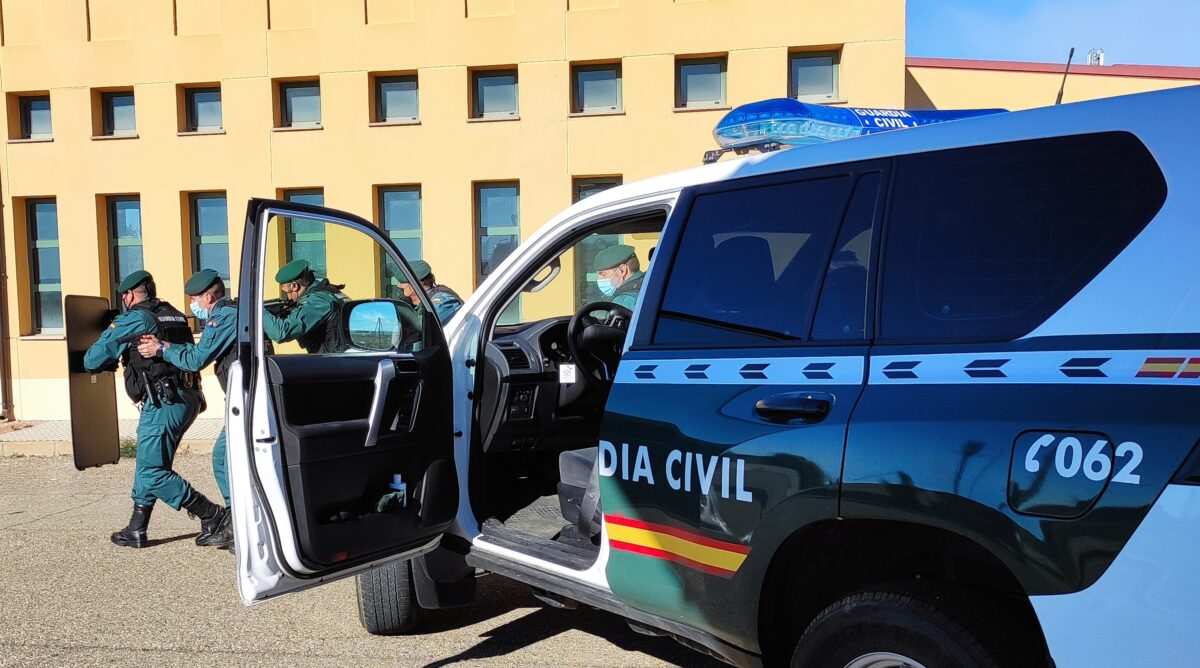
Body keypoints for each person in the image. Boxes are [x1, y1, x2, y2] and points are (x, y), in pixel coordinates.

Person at [83, 270, 226, 548]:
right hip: (187, 398)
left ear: (128, 295)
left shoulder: (137, 318)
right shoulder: (172, 313)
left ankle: (213, 515)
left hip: (164, 402)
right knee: (149, 463)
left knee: (152, 471)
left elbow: (93, 359)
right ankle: (137, 527)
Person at [136, 269, 236, 549]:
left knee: (223, 459)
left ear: (209, 297)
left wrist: (162, 348)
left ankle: (231, 522)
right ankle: (232, 521)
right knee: (224, 458)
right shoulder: (228, 314)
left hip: (247, 401)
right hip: (242, 400)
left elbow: (196, 359)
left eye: (195, 299)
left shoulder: (223, 317)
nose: (193, 304)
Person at [262, 259, 348, 353]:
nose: (289, 297)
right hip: (337, 357)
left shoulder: (318, 302)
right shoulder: (328, 291)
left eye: (287, 292)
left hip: (332, 360)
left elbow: (281, 333)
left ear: (294, 286)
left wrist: (259, 311)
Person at [392, 259, 463, 323]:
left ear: (412, 286)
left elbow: (422, 326)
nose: (398, 286)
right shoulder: (419, 304)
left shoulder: (443, 300)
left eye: (400, 283)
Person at [594, 244, 645, 310]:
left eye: (603, 274)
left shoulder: (624, 301)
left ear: (622, 270)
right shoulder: (647, 284)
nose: (599, 279)